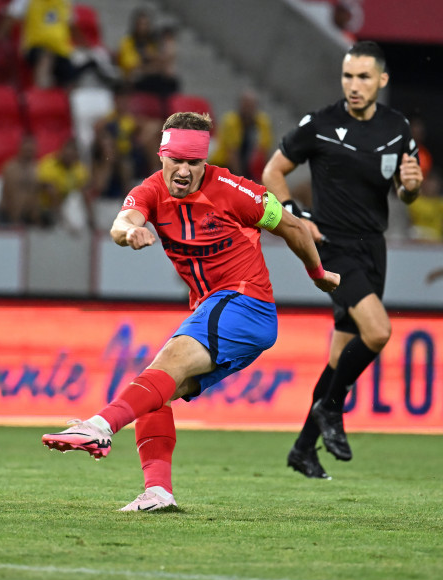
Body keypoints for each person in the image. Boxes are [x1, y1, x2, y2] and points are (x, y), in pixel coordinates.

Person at [42, 111, 339, 511]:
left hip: (245, 302)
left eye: (193, 162)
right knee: (155, 392)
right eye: (176, 160)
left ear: (204, 161)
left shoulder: (237, 191)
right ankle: (158, 492)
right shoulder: (149, 191)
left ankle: (99, 426)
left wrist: (317, 274)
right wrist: (130, 232)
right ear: (162, 155)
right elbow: (121, 221)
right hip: (216, 311)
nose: (183, 170)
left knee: (166, 364)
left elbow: (295, 228)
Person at [261, 41, 422, 479]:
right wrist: (295, 215)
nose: (354, 85)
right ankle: (332, 407)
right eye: (348, 76)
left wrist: (411, 187)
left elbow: (404, 191)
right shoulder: (319, 124)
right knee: (378, 331)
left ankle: (301, 450)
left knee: (338, 356)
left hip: (374, 247)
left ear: (382, 80)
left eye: (364, 77)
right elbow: (273, 172)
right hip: (333, 246)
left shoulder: (397, 127)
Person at [210, 89, 273, 182]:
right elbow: (232, 154)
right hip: (223, 165)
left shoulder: (263, 122)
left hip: (249, 167)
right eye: (245, 105)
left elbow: (265, 152)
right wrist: (242, 182)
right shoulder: (231, 121)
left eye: (251, 105)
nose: (248, 109)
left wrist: (265, 177)